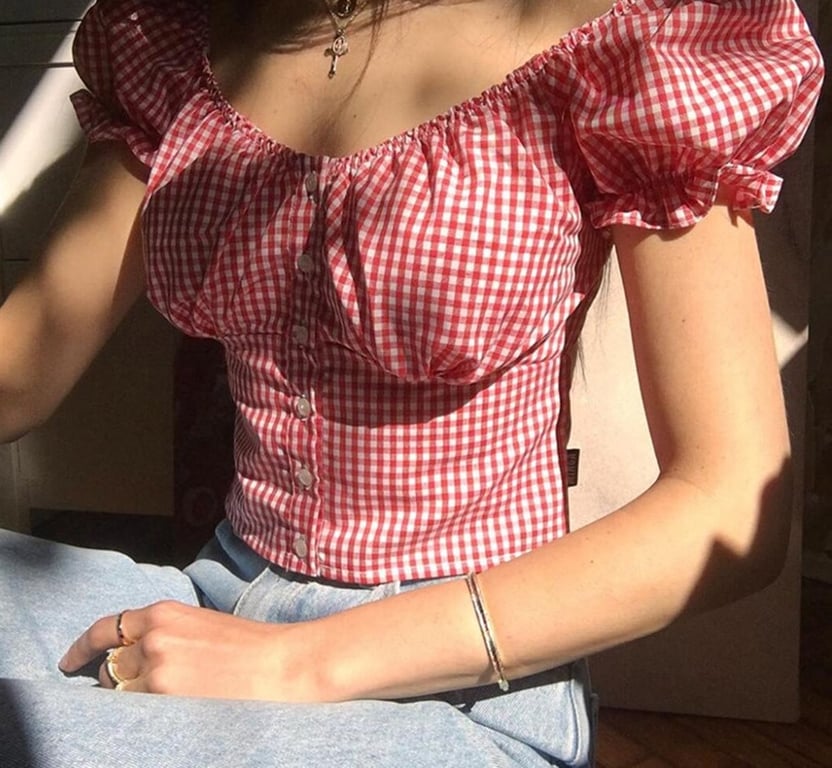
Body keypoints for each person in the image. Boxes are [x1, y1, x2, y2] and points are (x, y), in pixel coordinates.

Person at [0, 0, 823, 765]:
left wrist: (294, 662)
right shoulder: (186, 36)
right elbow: (22, 368)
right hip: (218, 598)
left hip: (463, 682)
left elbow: (730, 502)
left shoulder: (627, 41)